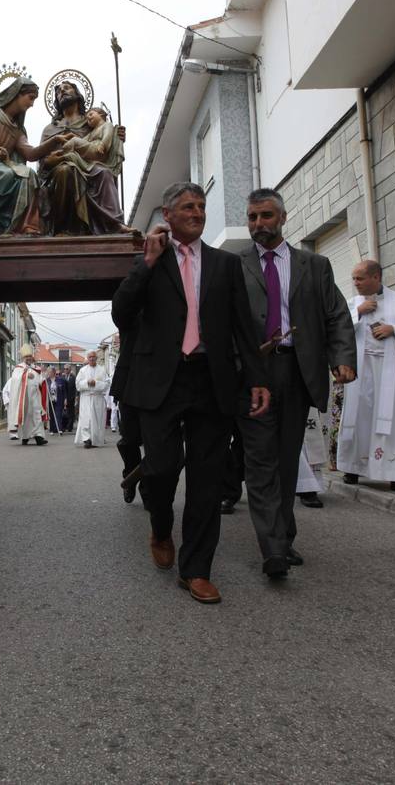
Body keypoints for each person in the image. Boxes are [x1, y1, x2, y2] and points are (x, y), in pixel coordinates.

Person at [112, 182, 270, 604]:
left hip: (210, 380)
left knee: (207, 479)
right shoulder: (148, 261)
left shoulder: (225, 264)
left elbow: (243, 326)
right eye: (187, 207)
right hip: (160, 382)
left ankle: (196, 569)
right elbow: (122, 313)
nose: (197, 213)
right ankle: (161, 527)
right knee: (161, 468)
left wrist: (256, 378)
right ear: (167, 215)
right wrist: (147, 263)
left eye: (201, 206)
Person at [234, 189, 357, 580]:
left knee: (287, 460)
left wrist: (341, 357)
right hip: (253, 374)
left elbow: (336, 315)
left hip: (297, 372)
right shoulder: (234, 266)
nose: (258, 224)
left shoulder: (315, 265)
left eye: (266, 215)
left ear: (283, 217)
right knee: (260, 460)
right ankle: (272, 548)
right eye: (252, 217)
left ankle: (283, 536)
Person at [336, 259, 395, 494]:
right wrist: (357, 313)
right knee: (360, 416)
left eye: (360, 278)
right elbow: (334, 329)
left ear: (376, 277)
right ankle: (353, 468)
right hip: (362, 370)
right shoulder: (351, 304)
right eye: (353, 278)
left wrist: (394, 330)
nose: (355, 283)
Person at [0, 77, 72, 236]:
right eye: (30, 98)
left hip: (4, 164)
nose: (32, 104)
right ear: (17, 94)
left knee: (29, 174)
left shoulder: (16, 128)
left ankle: (25, 226)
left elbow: (30, 154)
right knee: (4, 174)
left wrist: (55, 140)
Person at [39, 82, 129, 235]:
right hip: (59, 170)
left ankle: (112, 225)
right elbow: (43, 163)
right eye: (58, 92)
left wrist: (117, 136)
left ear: (77, 94)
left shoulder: (89, 123)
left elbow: (104, 140)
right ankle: (63, 228)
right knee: (64, 171)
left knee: (104, 173)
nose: (62, 92)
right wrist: (50, 161)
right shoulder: (50, 129)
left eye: (67, 88)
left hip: (88, 169)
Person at [110, 317, 145, 505]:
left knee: (160, 444)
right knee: (130, 440)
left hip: (164, 379)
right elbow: (120, 312)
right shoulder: (131, 313)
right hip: (130, 381)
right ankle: (131, 476)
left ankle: (149, 488)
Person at [5, 346, 48, 445]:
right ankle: (25, 437)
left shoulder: (35, 368)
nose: (29, 358)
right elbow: (15, 379)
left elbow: (40, 380)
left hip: (35, 396)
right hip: (25, 398)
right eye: (27, 356)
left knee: (37, 415)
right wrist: (25, 375)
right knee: (27, 417)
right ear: (23, 358)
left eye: (30, 356)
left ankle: (39, 437)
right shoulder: (19, 368)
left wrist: (43, 379)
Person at [74, 352, 109, 447]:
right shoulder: (82, 370)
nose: (92, 358)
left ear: (96, 358)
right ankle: (87, 439)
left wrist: (96, 383)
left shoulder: (102, 370)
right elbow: (78, 384)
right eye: (90, 357)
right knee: (86, 419)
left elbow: (107, 384)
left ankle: (95, 440)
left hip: (97, 398)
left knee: (97, 420)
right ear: (87, 358)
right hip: (86, 398)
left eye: (93, 357)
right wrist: (87, 383)